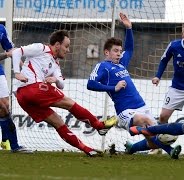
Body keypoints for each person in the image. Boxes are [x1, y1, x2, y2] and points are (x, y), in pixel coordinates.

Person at [87, 13, 182, 159]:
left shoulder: (121, 63)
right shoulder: (103, 66)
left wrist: (129, 28)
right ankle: (170, 151)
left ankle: (132, 148)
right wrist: (113, 88)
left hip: (141, 106)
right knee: (147, 122)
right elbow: (90, 84)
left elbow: (130, 49)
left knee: (153, 141)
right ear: (107, 52)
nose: (119, 54)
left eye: (120, 51)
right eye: (115, 51)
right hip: (126, 111)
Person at [11, 30, 117, 157]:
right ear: (57, 45)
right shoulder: (41, 48)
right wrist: (17, 72)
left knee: (58, 122)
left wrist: (55, 79)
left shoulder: (55, 64)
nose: (67, 50)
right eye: (66, 46)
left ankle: (87, 149)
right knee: (68, 103)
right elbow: (17, 51)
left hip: (22, 98)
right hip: (33, 88)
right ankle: (99, 125)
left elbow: (61, 84)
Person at [0, 24, 32, 153]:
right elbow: (8, 53)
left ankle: (14, 145)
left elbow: (13, 51)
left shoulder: (1, 29)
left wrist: (25, 68)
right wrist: (7, 54)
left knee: (4, 106)